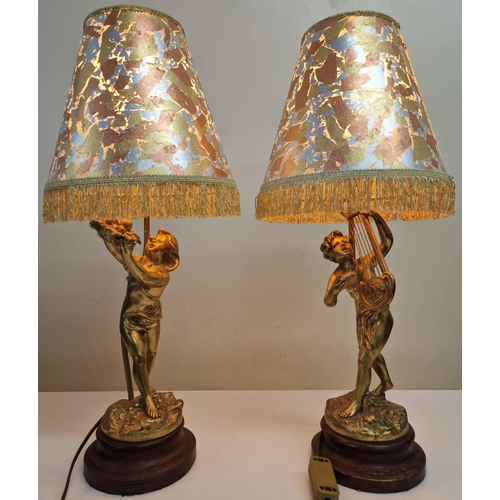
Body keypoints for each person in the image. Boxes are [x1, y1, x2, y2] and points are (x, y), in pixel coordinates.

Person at [91, 219, 179, 418]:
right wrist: (105, 235)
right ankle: (147, 398)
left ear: (166, 249)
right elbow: (118, 255)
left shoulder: (162, 275)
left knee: (151, 355)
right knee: (139, 358)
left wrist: (126, 251)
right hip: (130, 319)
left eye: (158, 240)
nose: (152, 239)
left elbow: (141, 276)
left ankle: (143, 385)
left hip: (152, 319)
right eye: (153, 237)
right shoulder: (138, 259)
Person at [321, 211, 394, 418]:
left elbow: (387, 242)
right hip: (362, 319)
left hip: (380, 315)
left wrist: (377, 219)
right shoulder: (336, 276)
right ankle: (386, 382)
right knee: (370, 354)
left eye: (345, 241)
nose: (344, 245)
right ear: (331, 255)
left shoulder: (366, 262)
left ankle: (358, 403)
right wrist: (334, 291)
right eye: (338, 245)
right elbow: (328, 302)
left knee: (364, 358)